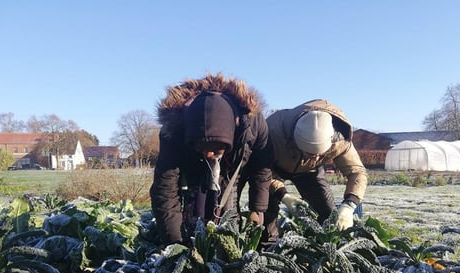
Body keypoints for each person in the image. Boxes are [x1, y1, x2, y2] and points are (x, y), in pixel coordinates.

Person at [150, 73, 274, 246]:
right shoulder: (173, 130)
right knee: (194, 217)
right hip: (193, 164)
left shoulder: (253, 124)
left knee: (229, 211)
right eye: (203, 148)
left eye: (215, 149)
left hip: (232, 166)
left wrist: (257, 209)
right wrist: (175, 244)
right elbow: (165, 189)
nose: (209, 154)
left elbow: (262, 169)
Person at [263, 99, 368, 242]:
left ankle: (321, 246)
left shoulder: (340, 140)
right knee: (266, 210)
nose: (315, 157)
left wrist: (349, 205)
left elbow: (357, 172)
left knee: (328, 215)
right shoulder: (273, 131)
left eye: (320, 154)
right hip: (274, 167)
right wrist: (283, 195)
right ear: (295, 140)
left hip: (310, 171)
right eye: (309, 154)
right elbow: (260, 169)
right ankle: (268, 245)